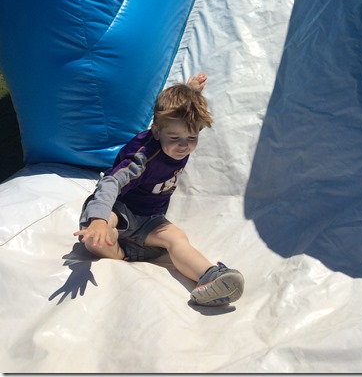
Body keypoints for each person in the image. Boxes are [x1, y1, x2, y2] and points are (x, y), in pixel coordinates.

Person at [73, 73, 244, 307]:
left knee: (177, 238)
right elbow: (111, 183)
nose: (183, 145)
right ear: (156, 131)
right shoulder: (143, 156)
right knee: (96, 239)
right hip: (119, 208)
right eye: (174, 138)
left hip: (149, 218)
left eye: (191, 137)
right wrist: (99, 220)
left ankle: (210, 278)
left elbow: (180, 115)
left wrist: (191, 92)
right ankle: (117, 247)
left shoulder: (177, 129)